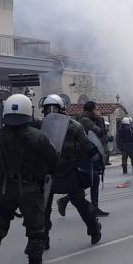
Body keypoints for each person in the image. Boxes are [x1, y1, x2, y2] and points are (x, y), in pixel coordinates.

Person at [0, 94, 58, 264]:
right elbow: (53, 160)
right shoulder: (38, 137)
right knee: (36, 230)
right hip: (30, 190)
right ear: (28, 111)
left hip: (3, 189)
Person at [39, 94, 101, 250]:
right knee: (45, 207)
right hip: (54, 173)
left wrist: (91, 155)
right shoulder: (43, 126)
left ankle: (93, 228)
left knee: (77, 203)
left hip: (61, 172)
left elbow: (86, 146)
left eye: (53, 109)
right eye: (48, 109)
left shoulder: (71, 126)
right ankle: (43, 238)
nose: (51, 112)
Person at [74, 101, 108, 217]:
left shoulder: (86, 119)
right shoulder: (85, 121)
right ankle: (93, 208)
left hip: (89, 155)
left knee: (91, 180)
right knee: (90, 180)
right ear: (92, 110)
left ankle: (94, 207)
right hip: (85, 155)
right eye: (97, 109)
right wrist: (101, 120)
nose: (99, 111)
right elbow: (99, 132)